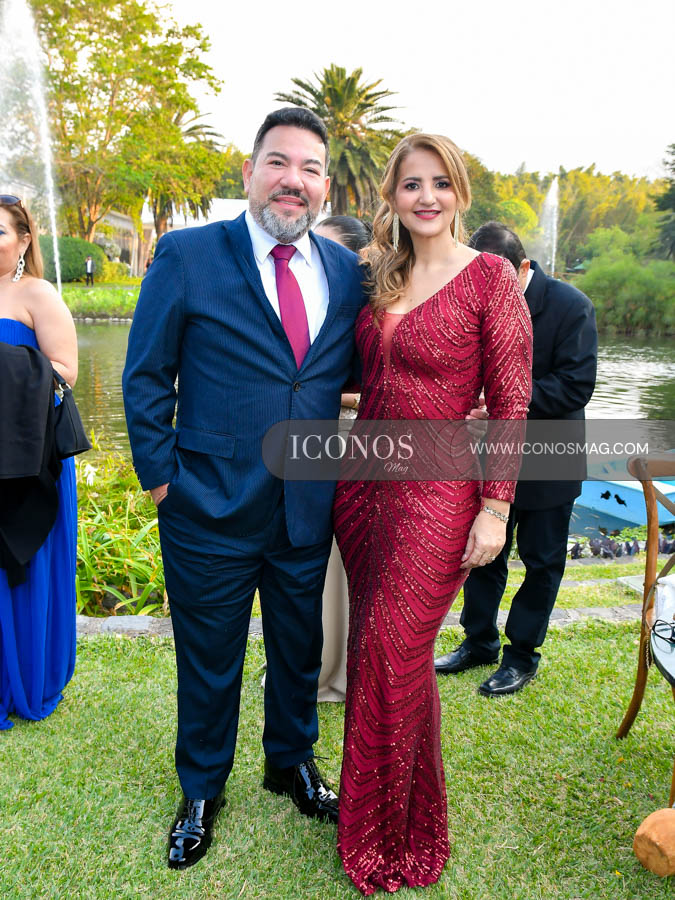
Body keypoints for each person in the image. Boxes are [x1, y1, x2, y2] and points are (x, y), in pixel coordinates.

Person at [122, 108, 367, 870]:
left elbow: (351, 374)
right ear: (250, 171)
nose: (293, 181)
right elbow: (145, 377)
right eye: (278, 163)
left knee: (299, 649)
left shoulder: (345, 274)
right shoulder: (188, 255)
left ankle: (290, 762)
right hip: (205, 507)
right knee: (209, 659)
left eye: (310, 169)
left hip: (305, 508)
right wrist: (163, 483)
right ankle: (201, 790)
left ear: (324, 186)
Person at [333, 135, 533, 894]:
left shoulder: (489, 278)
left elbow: (511, 404)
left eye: (440, 183)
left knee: (393, 648)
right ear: (390, 195)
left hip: (439, 491)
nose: (426, 197)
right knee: (375, 651)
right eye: (411, 184)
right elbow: (365, 379)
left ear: (460, 194)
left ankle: (395, 832)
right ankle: (388, 812)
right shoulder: (380, 275)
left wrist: (495, 508)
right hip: (361, 488)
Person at [435, 222, 597, 695]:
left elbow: (576, 386)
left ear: (523, 267)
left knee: (541, 562)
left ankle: (522, 655)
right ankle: (478, 642)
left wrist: (507, 401)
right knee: (483, 556)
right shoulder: (471, 299)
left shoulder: (572, 306)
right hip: (488, 455)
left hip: (550, 459)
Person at [0, 194, 78, 730]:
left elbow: (65, 371)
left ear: (24, 240)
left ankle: (25, 675)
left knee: (23, 570)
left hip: (29, 458)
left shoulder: (37, 294)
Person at [313, 215, 370, 703]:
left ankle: (340, 671)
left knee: (341, 561)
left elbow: (375, 387)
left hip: (350, 438)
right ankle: (314, 660)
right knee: (314, 559)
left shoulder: (368, 308)